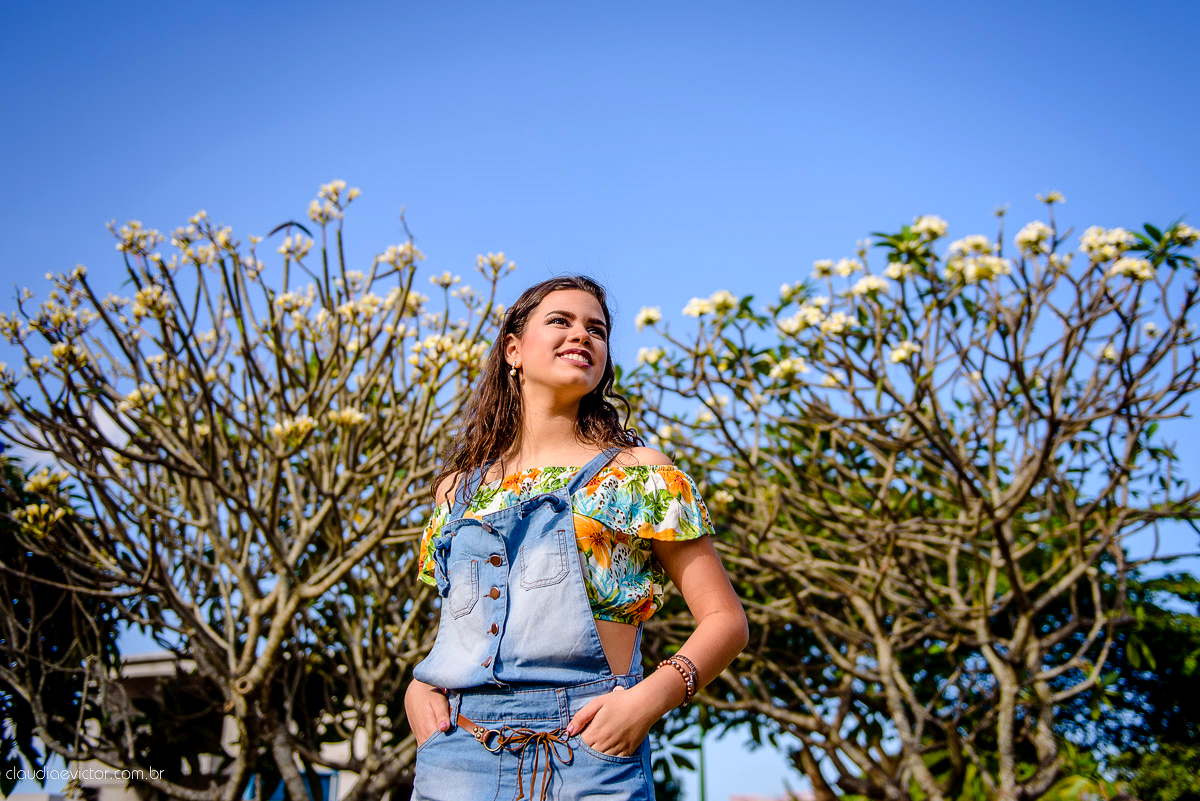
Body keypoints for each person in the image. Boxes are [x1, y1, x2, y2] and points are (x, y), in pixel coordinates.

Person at [405, 275, 748, 801]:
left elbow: (726, 622)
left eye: (597, 329)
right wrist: (420, 684)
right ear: (513, 350)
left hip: (588, 750)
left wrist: (647, 700)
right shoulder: (458, 490)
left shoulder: (638, 474)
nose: (582, 336)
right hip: (458, 751)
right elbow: (464, 623)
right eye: (561, 321)